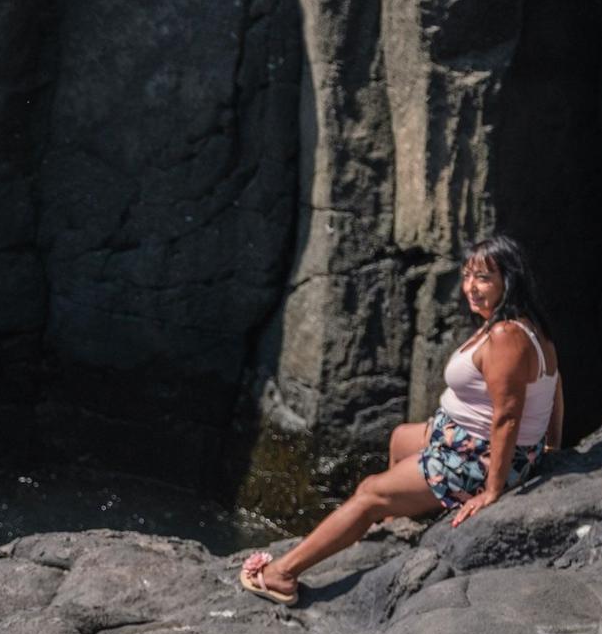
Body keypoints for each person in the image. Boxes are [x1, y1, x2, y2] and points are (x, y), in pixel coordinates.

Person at [240, 235, 566, 605]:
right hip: (461, 437)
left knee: (368, 492)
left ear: (510, 280)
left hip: (476, 458)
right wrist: (549, 447)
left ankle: (282, 575)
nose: (470, 288)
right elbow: (554, 390)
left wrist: (493, 490)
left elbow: (507, 416)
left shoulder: (507, 336)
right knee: (399, 438)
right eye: (467, 276)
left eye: (483, 278)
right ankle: (399, 520)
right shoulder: (524, 325)